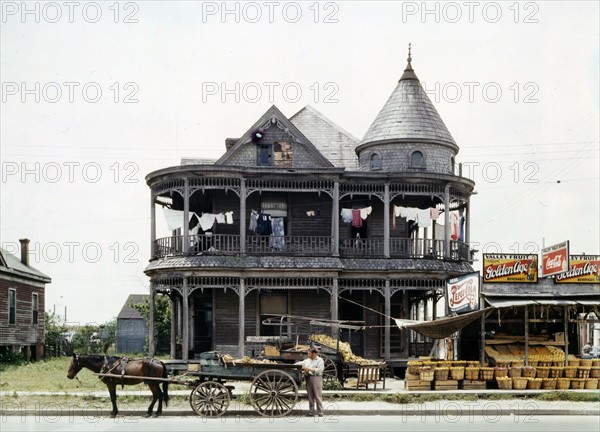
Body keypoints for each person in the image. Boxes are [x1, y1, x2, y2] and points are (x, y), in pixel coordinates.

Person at [295, 347, 324, 417]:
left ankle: (320, 412)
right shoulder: (307, 360)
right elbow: (300, 363)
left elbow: (320, 370)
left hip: (316, 378)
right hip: (308, 378)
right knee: (310, 396)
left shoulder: (320, 360)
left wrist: (307, 368)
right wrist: (293, 365)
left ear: (314, 353)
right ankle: (311, 412)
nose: (308, 354)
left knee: (317, 396)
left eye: (309, 353)